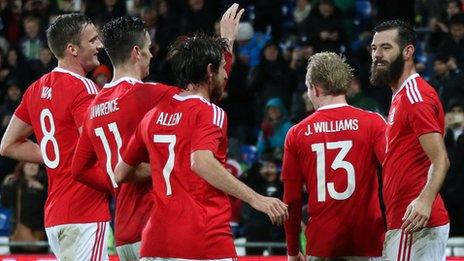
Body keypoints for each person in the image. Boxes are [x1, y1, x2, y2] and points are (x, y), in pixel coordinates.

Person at [114, 6, 288, 260]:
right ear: (209, 71)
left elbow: (121, 173)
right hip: (203, 238)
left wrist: (166, 166)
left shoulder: (152, 116)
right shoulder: (210, 113)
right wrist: (256, 199)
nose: (226, 73)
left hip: (155, 242)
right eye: (222, 69)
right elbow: (201, 162)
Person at [71, 4, 242, 259]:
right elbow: (204, 90)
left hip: (123, 231)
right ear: (137, 52)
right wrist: (226, 42)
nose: (152, 55)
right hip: (153, 227)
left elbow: (80, 169)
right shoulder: (147, 95)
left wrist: (119, 178)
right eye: (149, 49)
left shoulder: (94, 106)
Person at [0, 14, 111, 260]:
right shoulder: (84, 88)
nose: (99, 46)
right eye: (92, 40)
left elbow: (7, 145)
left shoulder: (36, 89)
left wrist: (55, 152)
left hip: (55, 217)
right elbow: (98, 147)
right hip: (86, 213)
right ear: (72, 49)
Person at [283, 52, 386, 260]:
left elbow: (292, 200)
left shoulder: (297, 133)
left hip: (322, 243)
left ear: (315, 88)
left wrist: (293, 250)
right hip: (367, 241)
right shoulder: (374, 123)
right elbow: (395, 175)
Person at [370, 20, 450, 260]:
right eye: (373, 48)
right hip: (408, 221)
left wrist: (425, 201)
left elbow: (441, 159)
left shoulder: (414, 97)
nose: (377, 55)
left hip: (415, 223)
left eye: (386, 47)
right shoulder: (401, 96)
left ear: (408, 52)